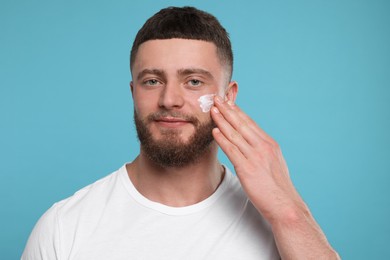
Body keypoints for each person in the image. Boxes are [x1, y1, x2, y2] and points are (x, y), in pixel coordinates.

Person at [22, 6, 339, 260]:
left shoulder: (278, 225)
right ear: (134, 92)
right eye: (152, 81)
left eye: (194, 81)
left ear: (228, 97)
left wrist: (290, 213)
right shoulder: (64, 227)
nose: (169, 99)